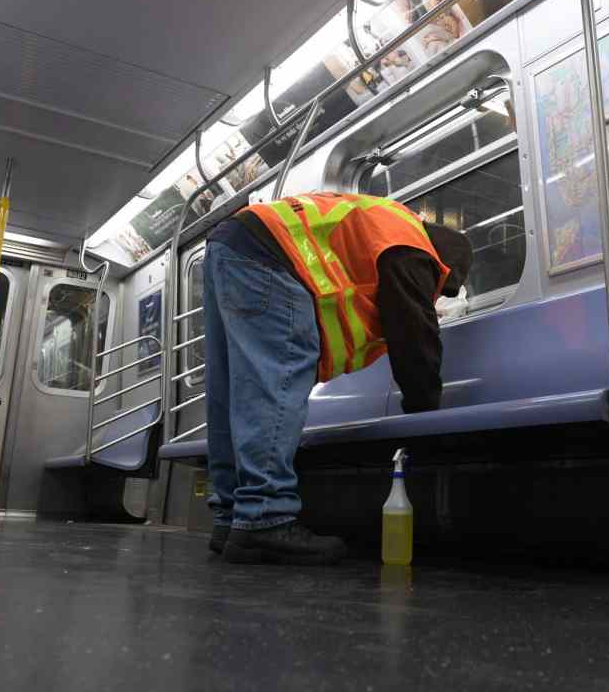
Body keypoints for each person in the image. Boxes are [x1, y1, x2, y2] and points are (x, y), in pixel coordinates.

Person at [201, 192, 473, 565]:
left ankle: (231, 516)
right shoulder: (412, 246)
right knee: (275, 378)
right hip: (273, 257)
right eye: (440, 289)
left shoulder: (387, 221)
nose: (434, 294)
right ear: (443, 263)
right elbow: (413, 331)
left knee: (232, 388)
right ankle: (264, 518)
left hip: (232, 246)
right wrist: (424, 407)